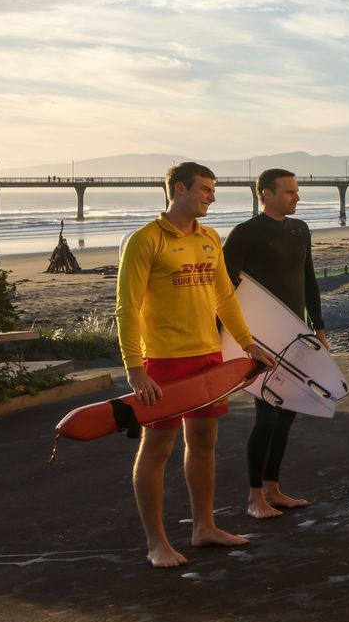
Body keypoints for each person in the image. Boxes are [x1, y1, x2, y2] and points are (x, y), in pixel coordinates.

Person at [116, 161, 277, 568]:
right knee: (157, 448)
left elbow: (225, 297)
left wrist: (246, 345)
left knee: (204, 442)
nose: (212, 195)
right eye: (205, 189)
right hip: (163, 360)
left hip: (207, 355)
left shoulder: (208, 237)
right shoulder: (144, 240)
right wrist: (135, 368)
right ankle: (157, 543)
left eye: (213, 189)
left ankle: (203, 527)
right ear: (179, 189)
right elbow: (127, 307)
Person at [224, 167, 326, 519]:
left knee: (288, 413)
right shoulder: (245, 234)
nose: (297, 197)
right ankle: (255, 497)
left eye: (296, 192)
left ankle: (273, 488)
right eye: (289, 192)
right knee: (267, 415)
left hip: (296, 332)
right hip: (261, 337)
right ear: (264, 194)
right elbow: (223, 291)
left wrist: (320, 327)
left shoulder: (300, 229)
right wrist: (234, 340)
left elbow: (308, 280)